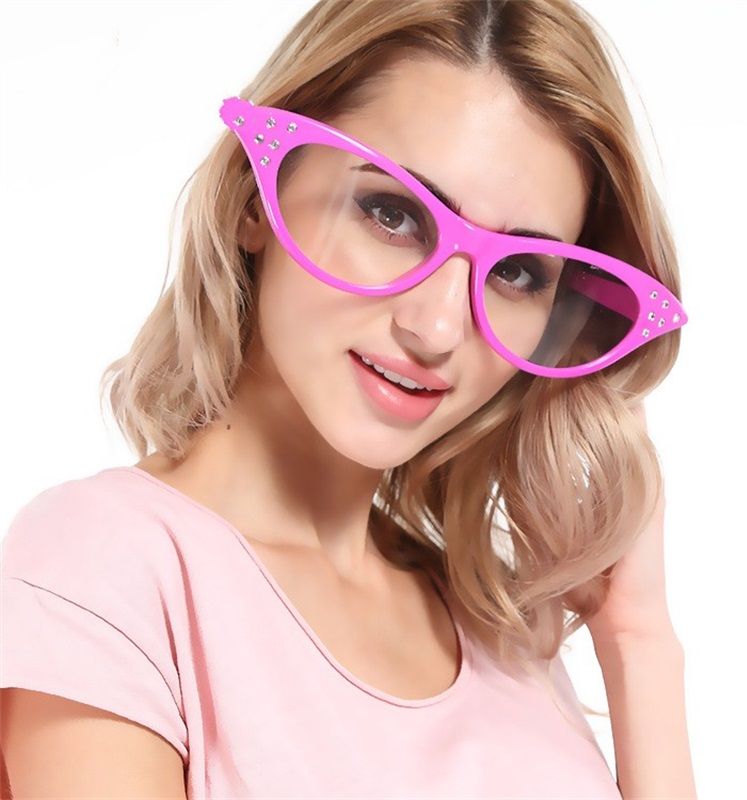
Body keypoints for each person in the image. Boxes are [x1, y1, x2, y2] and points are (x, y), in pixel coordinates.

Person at [1, 0, 696, 797]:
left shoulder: (495, 627)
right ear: (257, 192)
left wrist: (638, 641)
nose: (438, 327)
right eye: (392, 214)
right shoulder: (105, 564)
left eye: (516, 272)